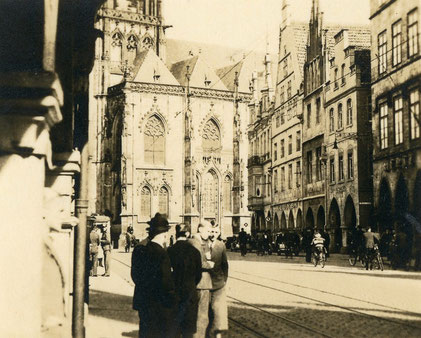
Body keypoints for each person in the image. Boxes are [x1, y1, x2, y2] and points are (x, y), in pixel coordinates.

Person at [131, 213, 178, 338]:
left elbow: (135, 275)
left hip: (143, 300)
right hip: (159, 302)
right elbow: (166, 281)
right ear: (164, 235)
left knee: (145, 331)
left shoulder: (139, 249)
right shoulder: (162, 253)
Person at [167, 224, 202, 338]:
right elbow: (198, 275)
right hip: (190, 295)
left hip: (173, 294)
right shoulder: (195, 252)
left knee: (174, 329)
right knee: (188, 331)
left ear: (176, 234)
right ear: (187, 234)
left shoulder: (169, 251)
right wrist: (191, 284)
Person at [188, 221, 214, 338]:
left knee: (199, 314)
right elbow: (199, 263)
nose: (210, 234)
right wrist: (210, 265)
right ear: (200, 229)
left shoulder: (197, 242)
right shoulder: (196, 243)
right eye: (208, 231)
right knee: (202, 316)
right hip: (202, 283)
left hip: (198, 283)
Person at [208, 225, 229, 338]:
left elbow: (225, 265)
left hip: (218, 283)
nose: (213, 234)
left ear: (219, 233)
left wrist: (224, 280)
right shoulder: (203, 244)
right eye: (211, 231)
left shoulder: (221, 245)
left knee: (218, 311)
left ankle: (217, 334)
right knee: (207, 312)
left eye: (216, 232)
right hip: (206, 284)